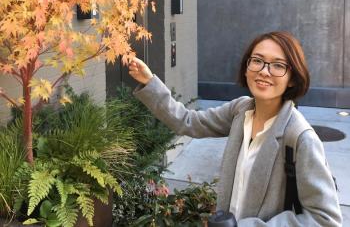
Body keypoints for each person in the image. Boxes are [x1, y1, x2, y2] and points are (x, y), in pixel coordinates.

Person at [128, 31, 342, 226]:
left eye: (278, 65)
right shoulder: (240, 110)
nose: (264, 71)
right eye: (257, 61)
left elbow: (325, 219)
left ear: (292, 78)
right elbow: (188, 121)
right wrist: (150, 82)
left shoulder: (300, 137)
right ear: (247, 67)